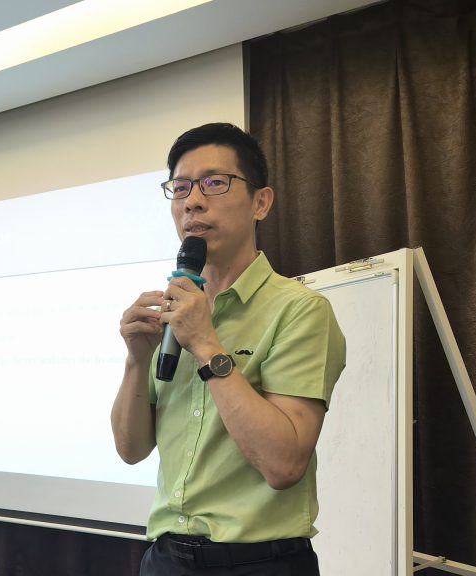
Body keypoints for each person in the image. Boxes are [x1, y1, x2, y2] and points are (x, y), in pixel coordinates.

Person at [112, 123, 346, 575]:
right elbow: (130, 448)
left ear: (261, 202)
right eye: (181, 188)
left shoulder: (299, 311)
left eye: (214, 183)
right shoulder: (172, 313)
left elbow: (283, 465)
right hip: (165, 560)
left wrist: (204, 343)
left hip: (259, 563)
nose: (192, 202)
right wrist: (136, 359)